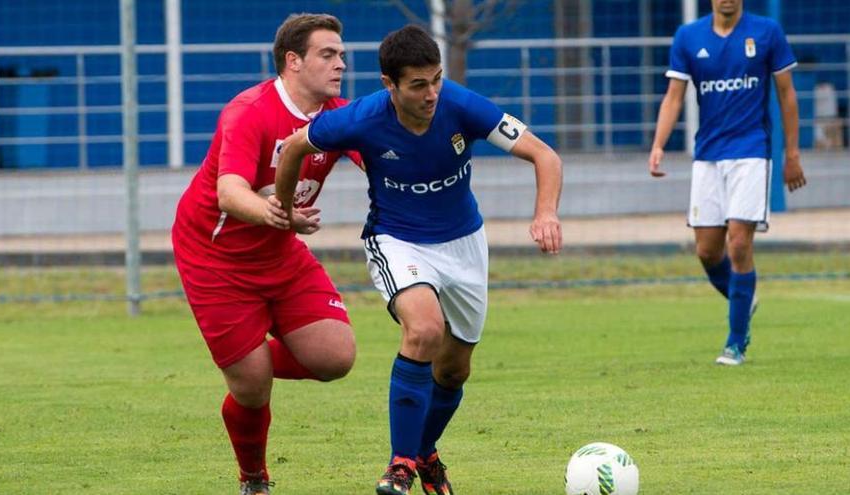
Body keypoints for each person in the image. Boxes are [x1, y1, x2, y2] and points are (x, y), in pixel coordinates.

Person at [275, 24, 563, 495]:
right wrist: (285, 211)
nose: (431, 93)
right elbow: (293, 147)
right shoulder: (362, 118)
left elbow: (545, 156)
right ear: (390, 84)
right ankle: (400, 466)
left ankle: (424, 453)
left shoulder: (461, 105)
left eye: (436, 79)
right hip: (397, 240)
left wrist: (546, 212)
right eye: (418, 84)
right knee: (424, 329)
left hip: (465, 244)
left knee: (453, 370)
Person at [171, 13, 362, 495]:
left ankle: (242, 356)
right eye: (328, 54)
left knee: (335, 358)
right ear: (293, 61)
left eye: (341, 53)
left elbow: (380, 153)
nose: (341, 62)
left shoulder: (337, 116)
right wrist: (278, 215)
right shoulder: (250, 110)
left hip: (279, 253)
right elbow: (230, 193)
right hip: (215, 256)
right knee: (252, 386)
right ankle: (254, 478)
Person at [649, 0, 807, 366]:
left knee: (739, 242)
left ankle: (735, 343)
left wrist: (793, 154)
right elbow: (674, 97)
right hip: (707, 155)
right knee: (707, 251)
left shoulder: (767, 32)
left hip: (752, 151)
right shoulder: (689, 36)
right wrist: (658, 144)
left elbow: (787, 94)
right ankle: (745, 298)